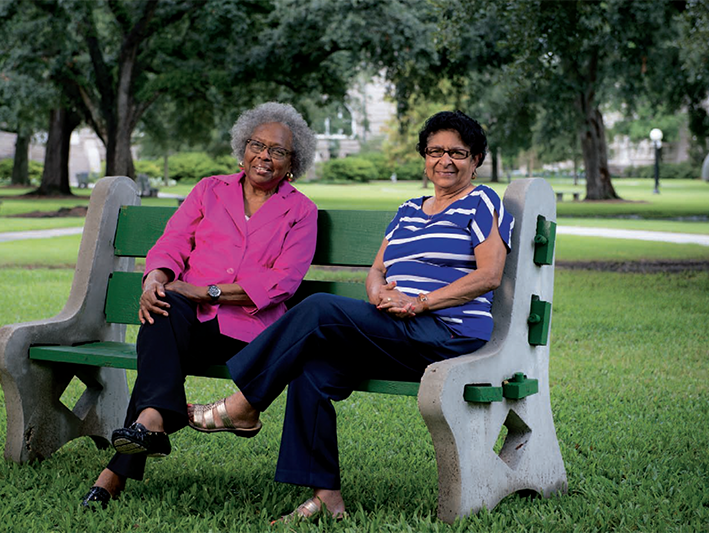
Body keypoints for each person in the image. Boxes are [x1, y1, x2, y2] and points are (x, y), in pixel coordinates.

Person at [184, 110, 515, 522]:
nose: (445, 161)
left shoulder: (482, 201)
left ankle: (244, 403)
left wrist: (421, 302)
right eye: (435, 151)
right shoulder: (410, 209)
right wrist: (378, 294)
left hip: (446, 331)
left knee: (320, 308)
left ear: (476, 159)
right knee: (313, 369)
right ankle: (327, 497)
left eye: (458, 153)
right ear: (424, 157)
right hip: (398, 327)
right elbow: (377, 270)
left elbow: (489, 275)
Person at [80, 102, 319, 510]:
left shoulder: (300, 211)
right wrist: (156, 278)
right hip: (189, 325)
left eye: (277, 151)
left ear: (292, 163)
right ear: (242, 148)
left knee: (164, 333)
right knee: (161, 305)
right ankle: (151, 423)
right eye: (256, 145)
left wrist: (206, 291)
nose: (264, 156)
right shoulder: (210, 189)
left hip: (252, 335)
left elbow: (283, 281)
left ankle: (122, 463)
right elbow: (173, 242)